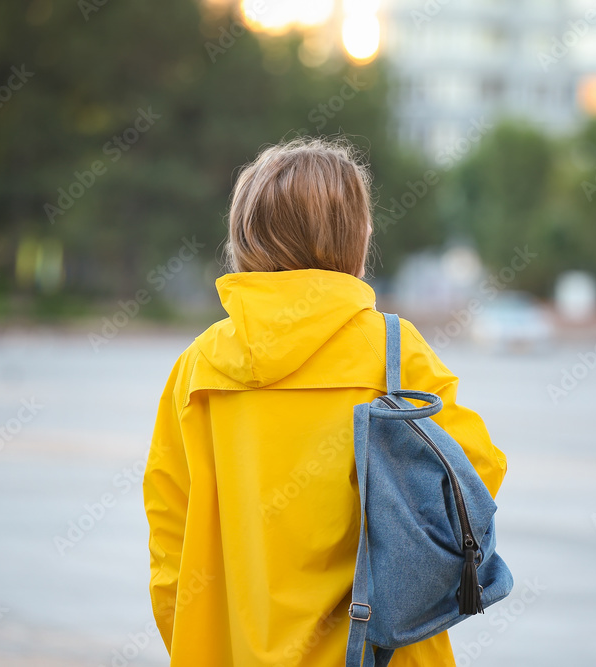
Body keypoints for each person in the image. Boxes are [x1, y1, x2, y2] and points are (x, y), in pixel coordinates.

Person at [143, 137, 508, 666]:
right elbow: (475, 477)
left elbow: (170, 551)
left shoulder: (198, 368)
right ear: (355, 238)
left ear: (245, 236)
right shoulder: (392, 354)